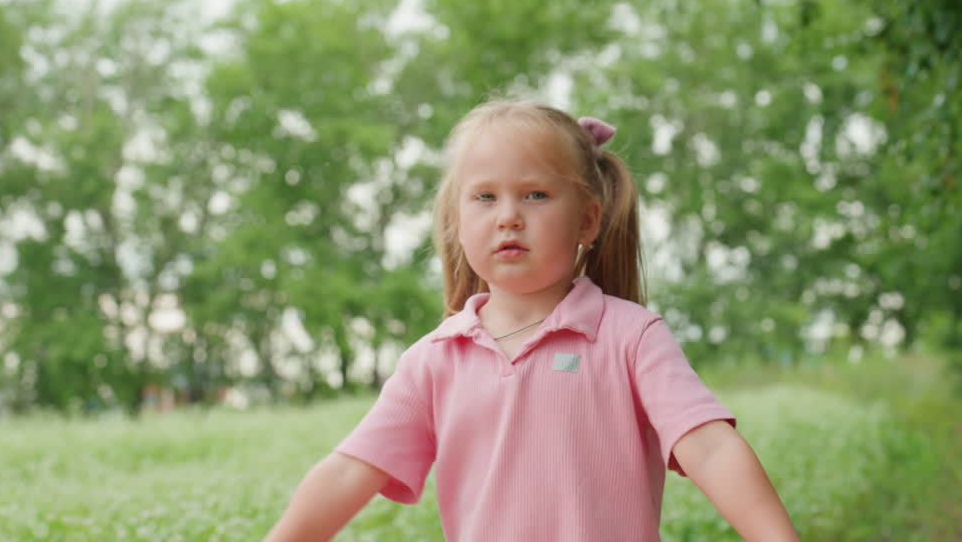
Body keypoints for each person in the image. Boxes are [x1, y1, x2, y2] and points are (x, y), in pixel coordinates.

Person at [263, 99, 797, 541]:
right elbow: (349, 470)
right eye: (484, 197)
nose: (508, 215)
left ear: (588, 219)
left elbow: (709, 446)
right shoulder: (434, 359)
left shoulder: (631, 337)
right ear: (456, 222)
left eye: (535, 194)